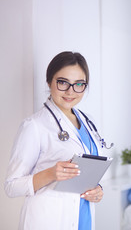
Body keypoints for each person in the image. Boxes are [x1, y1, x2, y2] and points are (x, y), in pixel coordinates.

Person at [4, 51, 107, 230]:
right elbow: (11, 186)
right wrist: (51, 174)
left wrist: (97, 191)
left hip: (83, 219)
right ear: (49, 81)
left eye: (79, 84)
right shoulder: (34, 126)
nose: (70, 91)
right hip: (47, 221)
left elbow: (88, 174)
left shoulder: (89, 122)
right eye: (62, 82)